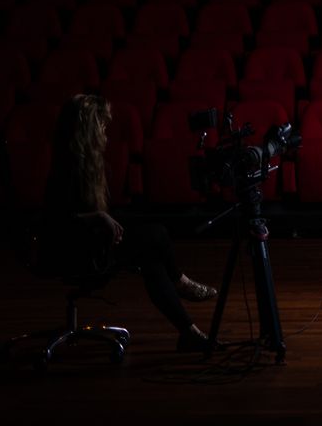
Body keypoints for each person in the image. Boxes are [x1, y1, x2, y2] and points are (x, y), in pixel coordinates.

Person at [42, 93, 218, 351]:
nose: (105, 131)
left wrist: (101, 218)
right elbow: (55, 221)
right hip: (76, 249)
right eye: (101, 124)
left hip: (93, 239)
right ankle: (180, 282)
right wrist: (98, 217)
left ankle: (188, 331)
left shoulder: (86, 162)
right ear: (88, 129)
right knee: (157, 234)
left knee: (152, 259)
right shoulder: (67, 166)